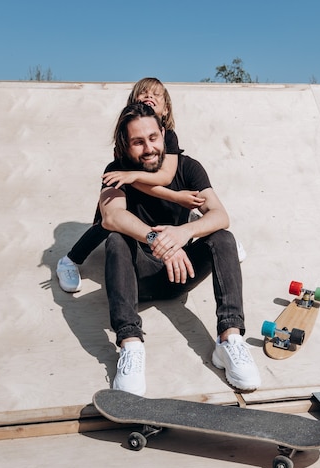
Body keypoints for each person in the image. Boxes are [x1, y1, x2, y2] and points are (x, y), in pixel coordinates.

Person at [99, 102, 261, 394]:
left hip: (179, 275)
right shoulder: (116, 171)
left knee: (223, 237)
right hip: (135, 278)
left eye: (152, 138)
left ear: (163, 134)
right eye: (137, 142)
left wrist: (184, 233)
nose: (148, 148)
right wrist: (158, 241)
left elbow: (220, 215)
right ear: (126, 145)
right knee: (116, 239)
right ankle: (130, 344)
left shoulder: (188, 168)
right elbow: (111, 216)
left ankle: (229, 340)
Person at [56, 78, 205, 293]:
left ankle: (209, 238)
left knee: (185, 211)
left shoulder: (169, 136)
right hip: (129, 195)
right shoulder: (126, 135)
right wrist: (130, 178)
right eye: (143, 94)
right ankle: (70, 260)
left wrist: (177, 198)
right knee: (108, 222)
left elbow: (164, 177)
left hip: (157, 191)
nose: (149, 97)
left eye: (156, 95)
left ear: (166, 109)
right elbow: (125, 181)